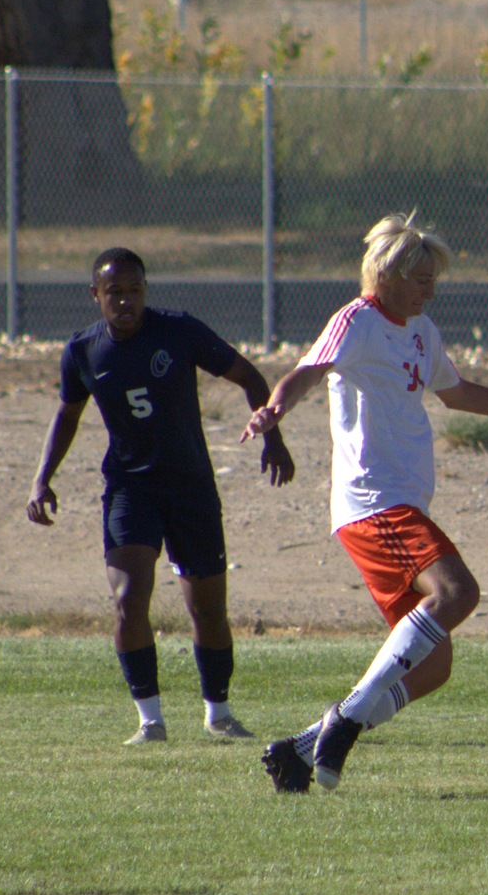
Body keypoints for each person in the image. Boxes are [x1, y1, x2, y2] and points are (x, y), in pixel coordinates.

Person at [242, 217, 488, 792]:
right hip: (373, 502)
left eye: (433, 279)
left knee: (434, 667)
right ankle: (345, 721)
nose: (430, 290)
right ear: (385, 274)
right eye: (420, 279)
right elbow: (304, 373)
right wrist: (273, 410)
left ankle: (300, 748)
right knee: (458, 592)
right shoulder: (356, 320)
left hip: (402, 503)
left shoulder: (421, 329)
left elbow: (458, 393)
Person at [28, 247, 292, 744]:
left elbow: (250, 377)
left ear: (146, 292)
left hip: (191, 487)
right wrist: (42, 478)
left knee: (207, 611)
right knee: (128, 600)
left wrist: (272, 437)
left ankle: (219, 713)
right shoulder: (83, 350)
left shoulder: (178, 331)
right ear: (96, 295)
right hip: (130, 488)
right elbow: (67, 414)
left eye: (135, 292)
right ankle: (150, 720)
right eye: (115, 293)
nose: (126, 302)